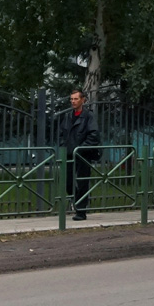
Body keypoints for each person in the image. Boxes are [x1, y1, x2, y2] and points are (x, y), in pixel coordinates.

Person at [64, 89, 101, 221]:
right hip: (69, 154)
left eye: (76, 99)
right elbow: (64, 133)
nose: (73, 101)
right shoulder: (68, 116)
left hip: (83, 154)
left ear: (82, 100)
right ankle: (77, 202)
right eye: (71, 99)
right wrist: (65, 147)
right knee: (67, 182)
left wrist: (82, 148)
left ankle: (81, 211)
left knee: (82, 182)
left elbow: (94, 134)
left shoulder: (88, 116)